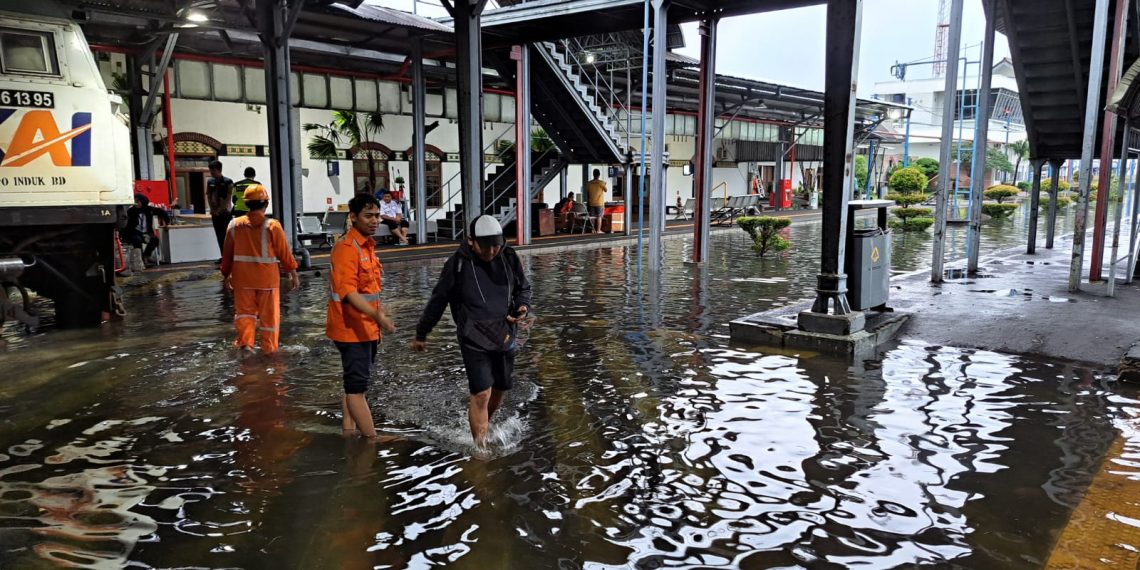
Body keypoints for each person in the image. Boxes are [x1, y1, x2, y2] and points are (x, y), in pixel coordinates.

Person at [413, 215, 531, 449]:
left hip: (505, 334)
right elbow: (438, 299)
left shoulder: (508, 256)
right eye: (485, 247)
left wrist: (522, 307)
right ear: (471, 241)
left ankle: (483, 423)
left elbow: (523, 288)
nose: (491, 252)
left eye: (496, 246)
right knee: (481, 393)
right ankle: (481, 448)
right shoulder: (457, 264)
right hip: (472, 336)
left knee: (500, 388)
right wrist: (422, 332)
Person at [327, 194, 396, 439]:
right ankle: (372, 439)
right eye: (368, 216)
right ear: (353, 217)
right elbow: (348, 293)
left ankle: (349, 429)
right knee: (357, 389)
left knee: (355, 385)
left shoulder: (367, 246)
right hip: (351, 329)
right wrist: (378, 316)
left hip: (366, 329)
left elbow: (369, 292)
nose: (375, 221)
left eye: (377, 216)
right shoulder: (347, 248)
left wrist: (377, 321)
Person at [220, 184, 300, 355]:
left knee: (245, 315)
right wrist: (293, 273)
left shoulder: (234, 225)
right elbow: (284, 253)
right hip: (267, 281)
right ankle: (269, 351)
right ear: (266, 204)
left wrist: (226, 275)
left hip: (242, 281)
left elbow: (226, 255)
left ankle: (246, 345)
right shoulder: (272, 225)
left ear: (246, 204)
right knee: (269, 319)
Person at [122, 193, 170, 270]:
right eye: (135, 202)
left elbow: (162, 212)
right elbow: (129, 228)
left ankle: (146, 256)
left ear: (143, 202)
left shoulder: (148, 210)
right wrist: (141, 235)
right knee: (137, 240)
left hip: (147, 232)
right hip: (135, 233)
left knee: (155, 239)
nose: (136, 203)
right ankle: (140, 259)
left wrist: (166, 222)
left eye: (138, 202)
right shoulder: (131, 211)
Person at [207, 160, 235, 262]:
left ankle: (230, 256)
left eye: (213, 171)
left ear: (218, 170)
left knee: (227, 236)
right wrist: (212, 209)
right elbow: (209, 196)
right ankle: (223, 256)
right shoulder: (210, 182)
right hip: (215, 213)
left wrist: (219, 209)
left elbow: (228, 197)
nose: (211, 173)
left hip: (226, 213)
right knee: (219, 235)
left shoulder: (228, 182)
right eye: (210, 171)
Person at [585, 169, 607, 234]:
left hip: (591, 202)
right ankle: (598, 230)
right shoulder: (601, 183)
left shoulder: (589, 183)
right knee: (599, 216)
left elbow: (587, 192)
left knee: (592, 217)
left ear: (593, 174)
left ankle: (592, 230)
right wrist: (604, 184)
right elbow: (605, 190)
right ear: (599, 175)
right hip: (599, 203)